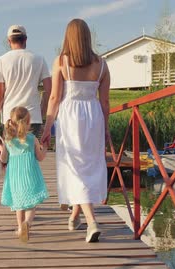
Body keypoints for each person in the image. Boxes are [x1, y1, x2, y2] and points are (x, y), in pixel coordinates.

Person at [41, 18, 110, 243]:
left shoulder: (61, 61)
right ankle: (74, 216)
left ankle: (91, 222)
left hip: (70, 117)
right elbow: (105, 102)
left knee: (75, 168)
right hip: (94, 117)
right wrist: (106, 129)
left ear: (68, 37)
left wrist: (47, 126)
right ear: (87, 37)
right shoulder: (102, 65)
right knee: (89, 166)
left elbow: (54, 97)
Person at [0, 25, 52, 139]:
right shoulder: (39, 59)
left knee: (11, 155)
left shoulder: (0, 61)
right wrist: (42, 111)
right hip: (32, 118)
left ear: (9, 41)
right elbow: (49, 90)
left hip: (10, 119)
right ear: (25, 39)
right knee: (30, 154)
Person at [0, 106, 49, 242]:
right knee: (31, 205)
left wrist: (1, 150)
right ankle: (27, 223)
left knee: (18, 204)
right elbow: (40, 157)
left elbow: (3, 159)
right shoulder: (32, 139)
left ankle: (20, 228)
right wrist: (44, 149)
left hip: (15, 177)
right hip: (30, 175)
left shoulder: (8, 140)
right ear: (28, 123)